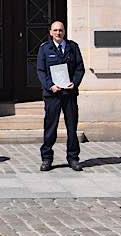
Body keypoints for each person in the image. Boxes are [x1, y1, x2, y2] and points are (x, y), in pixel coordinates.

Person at [36, 20, 85, 172]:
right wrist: (50, 85)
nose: (58, 33)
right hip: (53, 94)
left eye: (61, 30)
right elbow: (41, 71)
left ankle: (73, 158)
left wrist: (74, 83)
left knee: (72, 128)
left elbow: (79, 68)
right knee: (50, 127)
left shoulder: (73, 47)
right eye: (55, 30)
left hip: (69, 94)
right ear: (50, 32)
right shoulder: (45, 49)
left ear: (64, 32)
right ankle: (47, 158)